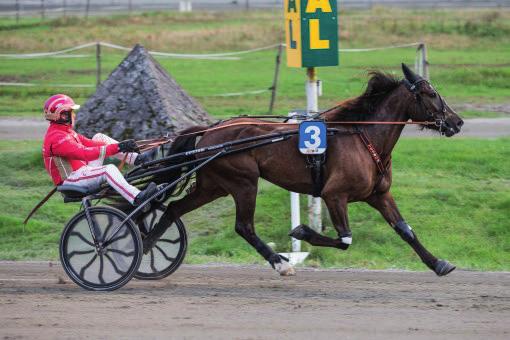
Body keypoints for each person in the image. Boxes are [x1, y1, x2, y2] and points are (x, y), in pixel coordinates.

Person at [41, 94, 158, 206]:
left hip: (81, 172)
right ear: (63, 115)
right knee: (108, 169)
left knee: (99, 137)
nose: (74, 115)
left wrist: (120, 146)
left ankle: (137, 159)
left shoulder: (64, 131)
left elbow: (91, 144)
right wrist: (118, 147)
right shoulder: (57, 139)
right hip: (72, 180)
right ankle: (137, 198)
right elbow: (84, 154)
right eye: (71, 112)